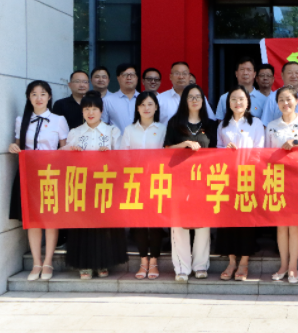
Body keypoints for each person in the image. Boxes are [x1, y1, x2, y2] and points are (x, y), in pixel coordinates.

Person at [62, 91, 128, 279]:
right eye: (86, 109)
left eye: (94, 109)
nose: (90, 113)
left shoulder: (112, 132)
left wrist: (110, 154)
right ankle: (84, 265)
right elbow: (62, 158)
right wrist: (71, 151)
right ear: (82, 111)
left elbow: (123, 158)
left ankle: (103, 263)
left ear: (101, 111)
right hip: (82, 186)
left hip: (106, 185)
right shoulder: (75, 132)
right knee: (83, 225)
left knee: (104, 225)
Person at [9, 81, 69, 281]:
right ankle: (36, 263)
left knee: (50, 218)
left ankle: (48, 262)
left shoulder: (58, 120)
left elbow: (64, 148)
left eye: (43, 94)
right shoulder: (21, 120)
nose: (38, 98)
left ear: (49, 97)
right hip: (29, 174)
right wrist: (13, 147)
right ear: (28, 97)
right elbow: (18, 145)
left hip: (51, 174)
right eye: (34, 94)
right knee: (32, 219)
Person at [265, 85, 298, 284]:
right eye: (281, 100)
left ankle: (293, 266)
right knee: (281, 226)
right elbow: (264, 153)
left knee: (295, 225)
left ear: (296, 101)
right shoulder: (272, 126)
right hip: (278, 179)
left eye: (289, 99)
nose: (285, 103)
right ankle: (283, 265)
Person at [164, 84, 217, 281]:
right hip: (179, 180)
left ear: (203, 101)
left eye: (198, 97)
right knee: (179, 224)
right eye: (190, 97)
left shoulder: (211, 125)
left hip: (204, 180)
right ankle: (181, 268)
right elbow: (166, 149)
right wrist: (184, 144)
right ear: (184, 101)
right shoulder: (175, 122)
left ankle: (200, 266)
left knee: (203, 224)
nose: (195, 100)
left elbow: (216, 151)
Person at [216, 86, 265, 281]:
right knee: (228, 220)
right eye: (234, 99)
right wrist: (225, 150)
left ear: (248, 102)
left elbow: (260, 150)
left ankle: (244, 262)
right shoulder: (223, 124)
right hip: (227, 178)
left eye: (241, 99)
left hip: (248, 177)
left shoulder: (256, 123)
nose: (238, 103)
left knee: (246, 220)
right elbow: (217, 149)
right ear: (228, 103)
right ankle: (231, 261)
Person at [120, 91, 166, 280]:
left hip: (157, 181)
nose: (146, 108)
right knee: (138, 223)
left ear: (156, 107)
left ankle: (154, 261)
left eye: (150, 104)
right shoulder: (129, 130)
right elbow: (123, 156)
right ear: (137, 108)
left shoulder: (163, 129)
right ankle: (143, 261)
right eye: (142, 104)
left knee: (155, 223)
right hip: (135, 182)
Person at [260, 62, 298, 127]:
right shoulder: (272, 98)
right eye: (289, 73)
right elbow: (265, 125)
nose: (294, 76)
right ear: (282, 75)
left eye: (297, 73)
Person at [101, 64, 140, 134]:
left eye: (132, 75)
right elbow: (103, 126)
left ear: (137, 78)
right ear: (118, 78)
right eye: (125, 75)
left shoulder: (144, 100)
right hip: (116, 141)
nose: (129, 78)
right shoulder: (107, 101)